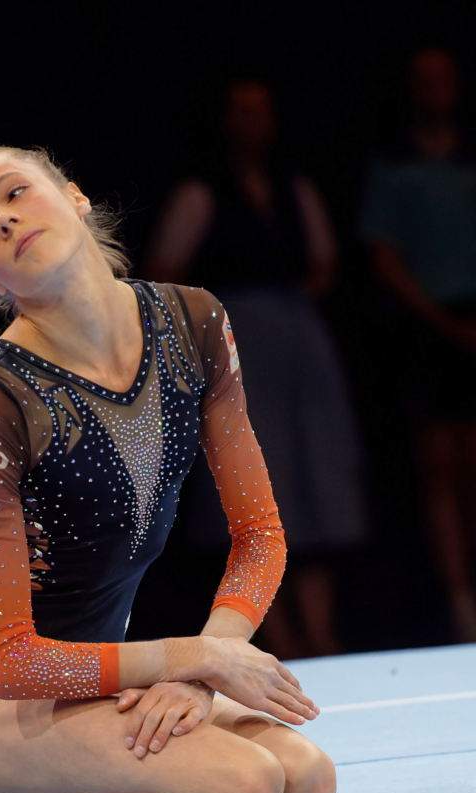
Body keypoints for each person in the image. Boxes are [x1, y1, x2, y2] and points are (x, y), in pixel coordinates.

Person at [0, 144, 336, 793]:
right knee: (246, 790)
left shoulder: (194, 323)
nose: (4, 220)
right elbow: (14, 661)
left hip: (101, 676)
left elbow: (260, 536)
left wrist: (207, 667)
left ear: (75, 197)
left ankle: (30, 786)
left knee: (307, 783)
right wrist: (190, 657)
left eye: (15, 193)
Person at [141, 77, 371, 661]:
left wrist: (288, 305)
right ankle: (278, 632)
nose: (254, 122)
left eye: (262, 111)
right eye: (242, 111)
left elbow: (324, 263)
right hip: (238, 342)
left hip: (297, 337)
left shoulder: (292, 186)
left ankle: (320, 628)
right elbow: (164, 269)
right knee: (261, 478)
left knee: (315, 473)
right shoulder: (203, 191)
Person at [358, 47, 476, 644]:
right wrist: (438, 321)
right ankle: (460, 601)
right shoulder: (395, 166)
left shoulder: (468, 159)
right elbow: (383, 256)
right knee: (439, 470)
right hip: (427, 328)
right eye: (424, 79)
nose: (435, 88)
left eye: (443, 77)